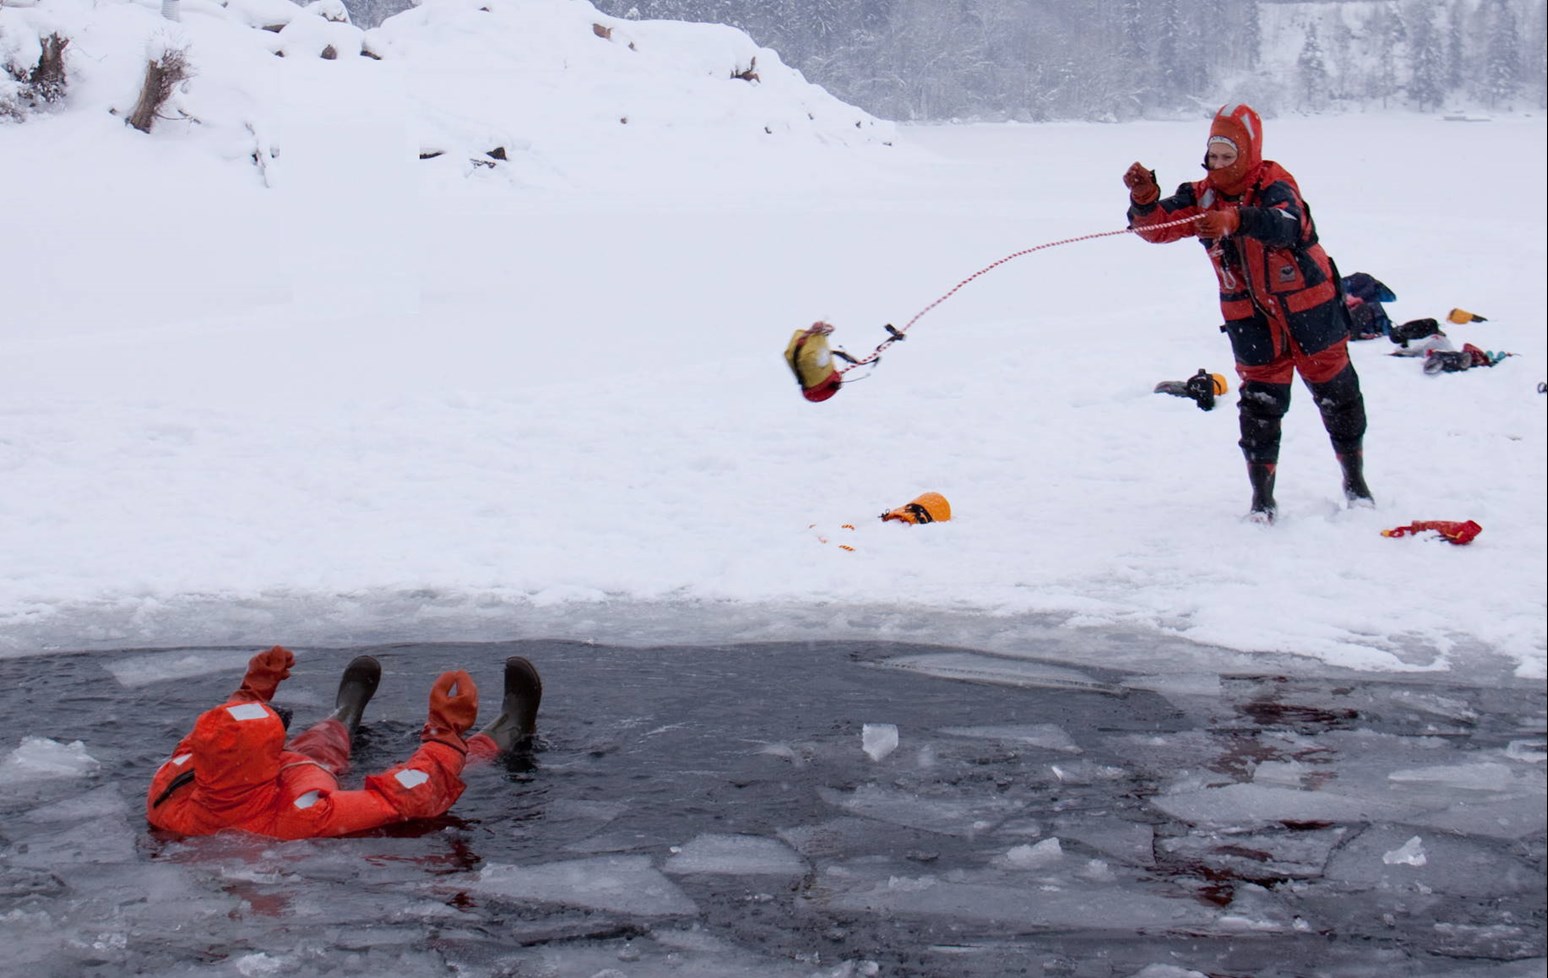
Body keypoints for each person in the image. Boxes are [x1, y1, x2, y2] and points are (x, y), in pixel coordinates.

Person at [1122, 103, 1373, 523]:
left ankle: (1355, 482)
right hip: (1248, 315)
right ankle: (1262, 500)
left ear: (1249, 153)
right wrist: (1144, 199)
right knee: (1259, 406)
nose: (1218, 164)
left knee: (1339, 398)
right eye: (1213, 155)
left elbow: (1288, 224)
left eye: (1228, 155)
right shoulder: (1201, 195)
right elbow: (1156, 228)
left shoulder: (1275, 182)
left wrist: (1234, 220)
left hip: (1310, 309)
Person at [146, 646, 542, 839]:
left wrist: (254, 689)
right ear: (263, 759)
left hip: (278, 774)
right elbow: (403, 797)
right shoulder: (300, 815)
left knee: (315, 742)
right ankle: (503, 733)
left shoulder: (171, 782)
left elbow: (221, 734)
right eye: (273, 736)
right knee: (453, 763)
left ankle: (344, 715)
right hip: (303, 787)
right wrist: (445, 733)